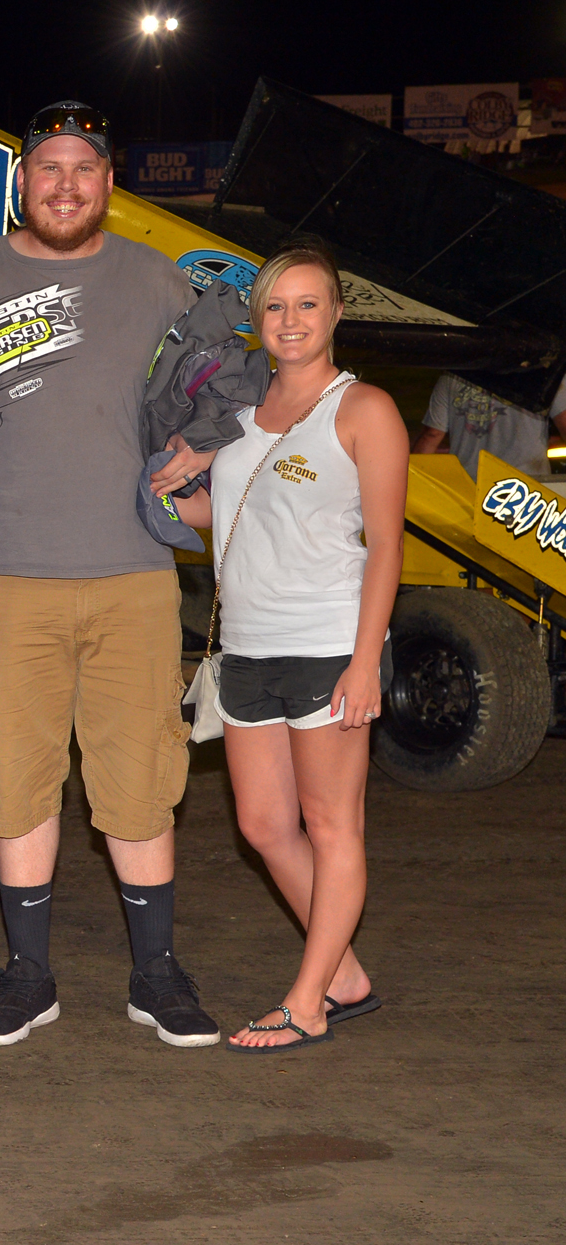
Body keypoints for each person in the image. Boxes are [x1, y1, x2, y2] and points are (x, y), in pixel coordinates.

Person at [0, 102, 222, 1049]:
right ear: (23, 184)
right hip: (6, 575)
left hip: (134, 574)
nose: (64, 186)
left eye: (82, 170)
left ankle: (156, 973)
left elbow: (217, 395)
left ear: (108, 182)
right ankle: (28, 974)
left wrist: (200, 450)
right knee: (12, 779)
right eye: (47, 170)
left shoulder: (156, 282)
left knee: (141, 780)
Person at [173, 242, 405, 1052]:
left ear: (337, 313)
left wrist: (366, 660)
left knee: (332, 825)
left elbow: (386, 546)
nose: (291, 320)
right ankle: (342, 973)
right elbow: (228, 512)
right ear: (258, 320)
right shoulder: (240, 408)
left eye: (308, 304)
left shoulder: (363, 409)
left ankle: (308, 1000)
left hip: (326, 643)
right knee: (265, 825)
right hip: (245, 647)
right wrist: (168, 492)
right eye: (276, 306)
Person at [413, 372, 566, 479]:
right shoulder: (545, 377)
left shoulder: (451, 377)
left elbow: (432, 435)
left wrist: (412, 482)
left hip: (470, 486)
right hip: (527, 489)